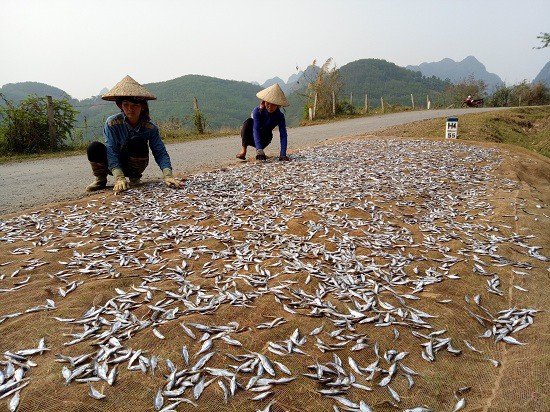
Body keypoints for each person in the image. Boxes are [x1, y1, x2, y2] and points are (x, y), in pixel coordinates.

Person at [85, 75, 184, 192]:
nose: (130, 109)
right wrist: (119, 178)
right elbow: (111, 150)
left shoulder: (150, 128)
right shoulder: (112, 123)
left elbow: (160, 152)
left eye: (135, 105)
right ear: (121, 106)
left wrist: (168, 175)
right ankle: (100, 179)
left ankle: (134, 178)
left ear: (142, 107)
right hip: (112, 167)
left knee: (138, 141)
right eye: (126, 105)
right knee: (94, 147)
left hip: (135, 165)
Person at [236, 83, 290, 162]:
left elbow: (283, 135)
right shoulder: (257, 111)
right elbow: (256, 130)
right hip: (252, 136)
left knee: (269, 135)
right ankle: (243, 152)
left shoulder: (280, 116)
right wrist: (259, 149)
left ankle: (260, 151)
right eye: (268, 104)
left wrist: (283, 153)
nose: (270, 107)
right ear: (264, 102)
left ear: (278, 106)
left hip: (265, 138)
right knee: (248, 122)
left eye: (273, 105)